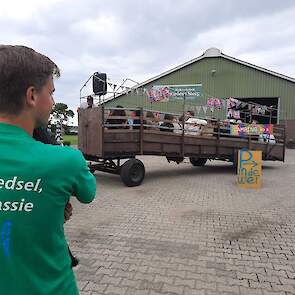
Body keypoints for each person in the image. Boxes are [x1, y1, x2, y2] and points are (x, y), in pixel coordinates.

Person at [0, 45, 96, 295]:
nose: (53, 102)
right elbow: (87, 193)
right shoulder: (65, 161)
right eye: (51, 93)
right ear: (32, 96)